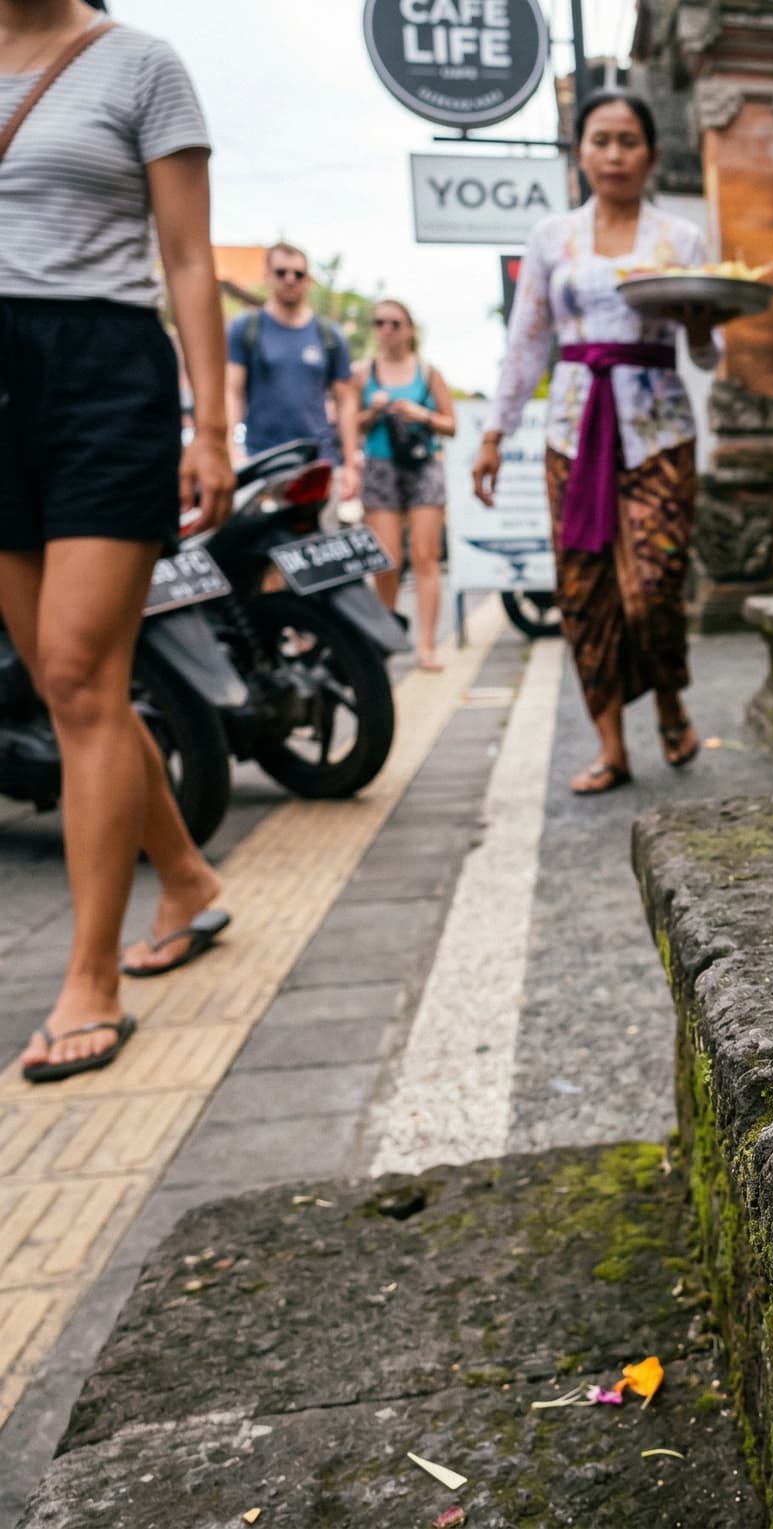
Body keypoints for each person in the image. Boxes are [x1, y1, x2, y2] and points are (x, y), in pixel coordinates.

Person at [0, 0, 235, 1081]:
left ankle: (90, 976)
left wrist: (211, 426)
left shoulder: (140, 64)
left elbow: (187, 257)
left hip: (102, 375)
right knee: (70, 686)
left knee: (79, 670)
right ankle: (185, 876)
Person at [474, 89, 720, 795]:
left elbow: (706, 354)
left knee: (654, 585)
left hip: (658, 429)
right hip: (573, 432)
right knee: (585, 593)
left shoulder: (682, 239)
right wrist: (496, 432)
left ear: (651, 154)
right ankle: (611, 746)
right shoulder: (553, 237)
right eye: (600, 141)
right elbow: (526, 341)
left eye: (628, 141)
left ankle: (669, 697)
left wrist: (701, 325)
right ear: (579, 152)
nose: (614, 155)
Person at [351, 299, 453, 670]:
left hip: (422, 465)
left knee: (425, 557)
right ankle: (388, 636)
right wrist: (373, 410)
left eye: (394, 323)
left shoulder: (427, 372)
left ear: (409, 329)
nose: (386, 330)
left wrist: (421, 414)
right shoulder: (363, 374)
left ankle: (427, 645)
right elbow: (350, 426)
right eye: (379, 322)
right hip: (380, 467)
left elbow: (451, 423)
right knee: (387, 559)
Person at [227, 240, 359, 499]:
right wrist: (231, 449)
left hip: (317, 461)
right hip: (259, 458)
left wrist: (351, 465)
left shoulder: (329, 335)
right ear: (267, 276)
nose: (290, 279)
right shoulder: (246, 329)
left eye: (298, 274)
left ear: (307, 279)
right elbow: (232, 391)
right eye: (281, 272)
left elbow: (346, 401)